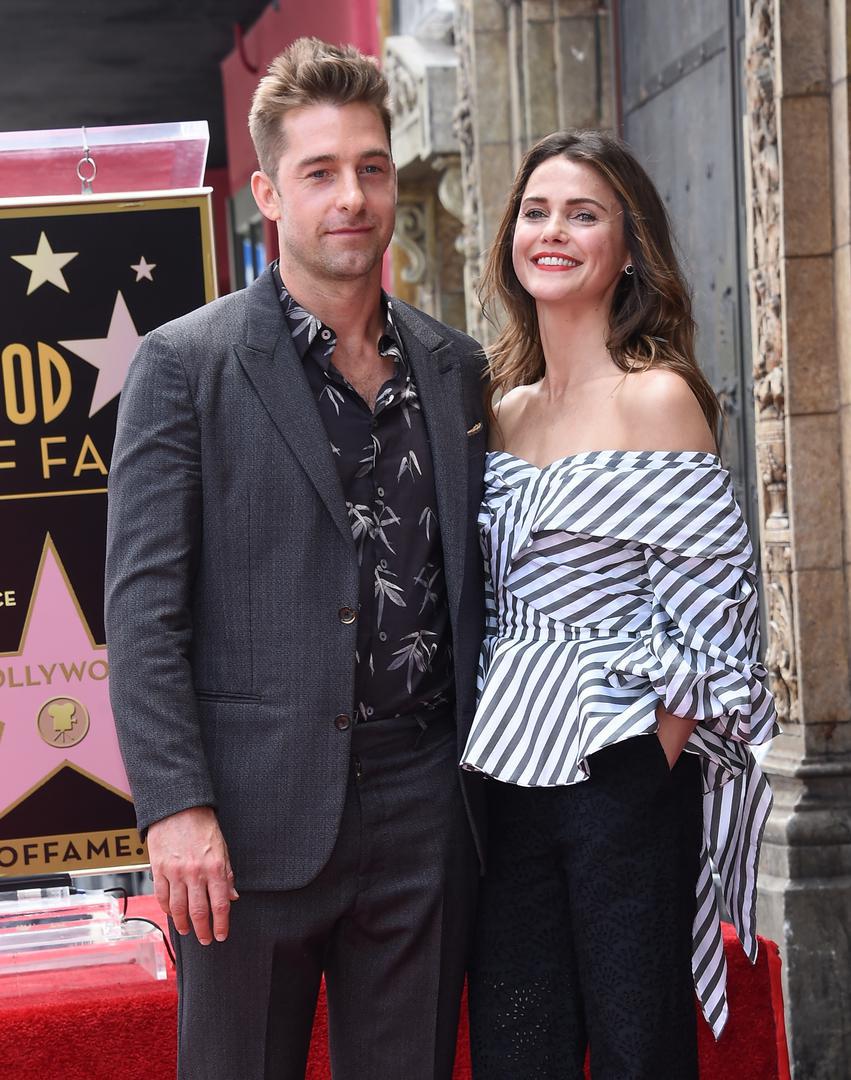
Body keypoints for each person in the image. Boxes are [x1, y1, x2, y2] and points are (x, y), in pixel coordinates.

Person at [105, 37, 488, 1080]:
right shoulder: (184, 365)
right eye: (320, 172)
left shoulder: (455, 369)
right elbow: (141, 614)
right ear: (270, 194)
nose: (352, 196)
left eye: (370, 167)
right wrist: (176, 809)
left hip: (422, 808)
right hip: (243, 821)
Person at [460, 130, 779, 1080]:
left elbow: (717, 617)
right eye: (536, 211)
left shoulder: (657, 399)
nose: (552, 231)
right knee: (519, 1047)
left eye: (583, 214)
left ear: (629, 247)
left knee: (640, 1050)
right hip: (504, 774)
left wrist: (649, 759)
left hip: (618, 767)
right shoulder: (501, 409)